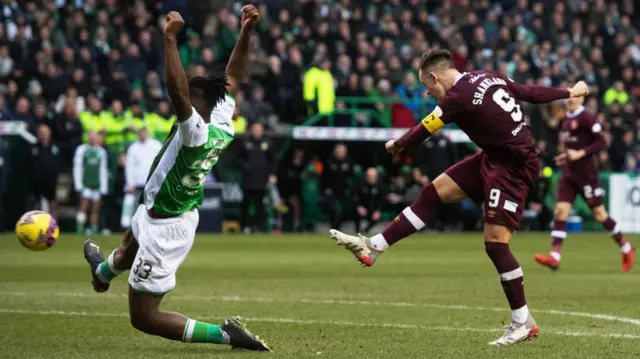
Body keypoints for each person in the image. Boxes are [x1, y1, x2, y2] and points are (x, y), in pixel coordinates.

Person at [330, 49, 589, 345]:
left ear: (434, 76)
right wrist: (569, 90)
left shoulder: (458, 96)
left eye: (428, 88)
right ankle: (375, 246)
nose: (430, 94)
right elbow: (529, 92)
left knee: (496, 245)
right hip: (493, 157)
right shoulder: (488, 76)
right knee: (435, 192)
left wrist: (397, 145)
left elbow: (427, 126)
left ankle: (522, 322)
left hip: (514, 168)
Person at [81, 8, 270, 351]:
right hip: (167, 210)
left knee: (144, 317)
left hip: (165, 229)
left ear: (197, 104)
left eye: (189, 101)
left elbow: (176, 90)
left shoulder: (195, 132)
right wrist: (245, 33)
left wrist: (169, 39)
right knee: (129, 243)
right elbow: (235, 76)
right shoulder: (222, 119)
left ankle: (226, 335)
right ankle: (102, 272)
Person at [534, 96, 635, 271]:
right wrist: (565, 157)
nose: (568, 100)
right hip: (569, 173)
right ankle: (555, 257)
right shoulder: (566, 118)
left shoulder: (588, 117)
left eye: (573, 96)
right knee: (560, 212)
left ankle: (626, 247)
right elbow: (571, 145)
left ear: (580, 99)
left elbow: (602, 142)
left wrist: (580, 153)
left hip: (587, 174)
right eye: (567, 97)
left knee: (600, 215)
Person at [238, 122, 277, 233]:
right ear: (251, 130)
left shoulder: (267, 143)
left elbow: (273, 161)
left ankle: (258, 227)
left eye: (259, 129)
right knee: (245, 203)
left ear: (262, 131)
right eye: (255, 129)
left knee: (260, 205)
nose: (257, 131)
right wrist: (245, 166)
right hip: (248, 179)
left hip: (262, 179)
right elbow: (237, 158)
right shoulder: (245, 142)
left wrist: (272, 174)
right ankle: (244, 227)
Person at [121, 127, 162, 229]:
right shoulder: (133, 148)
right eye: (140, 132)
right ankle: (136, 227)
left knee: (152, 206)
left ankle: (153, 226)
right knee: (137, 207)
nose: (142, 134)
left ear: (147, 132)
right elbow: (129, 166)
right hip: (138, 183)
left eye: (144, 132)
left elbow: (161, 163)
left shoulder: (156, 145)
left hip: (153, 182)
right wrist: (130, 183)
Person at [73, 131, 108, 234]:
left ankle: (94, 228)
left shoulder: (101, 151)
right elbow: (78, 167)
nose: (93, 139)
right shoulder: (82, 150)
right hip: (85, 184)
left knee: (95, 209)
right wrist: (78, 184)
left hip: (96, 184)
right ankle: (80, 227)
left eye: (95, 137)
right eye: (91, 137)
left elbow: (103, 169)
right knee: (83, 207)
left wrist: (103, 186)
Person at [30, 124, 60, 218]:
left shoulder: (55, 147)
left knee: (53, 203)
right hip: (36, 181)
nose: (43, 135)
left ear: (49, 134)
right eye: (41, 133)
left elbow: (59, 163)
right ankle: (34, 224)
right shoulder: (33, 148)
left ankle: (53, 225)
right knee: (36, 203)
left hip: (51, 180)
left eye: (45, 133)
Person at [353, 167, 386, 233]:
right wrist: (359, 207)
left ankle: (366, 230)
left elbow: (382, 200)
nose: (371, 178)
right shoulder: (360, 185)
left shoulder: (380, 186)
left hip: (373, 210)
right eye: (370, 176)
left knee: (378, 216)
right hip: (361, 208)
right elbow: (354, 197)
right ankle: (357, 231)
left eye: (373, 176)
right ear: (366, 176)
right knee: (355, 213)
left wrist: (378, 211)